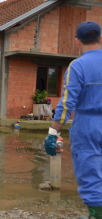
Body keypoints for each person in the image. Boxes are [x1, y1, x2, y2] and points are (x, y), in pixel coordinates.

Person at [44, 21, 102, 219]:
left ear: (77, 42)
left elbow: (67, 103)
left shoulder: (77, 66)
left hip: (88, 125)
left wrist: (53, 132)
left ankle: (96, 215)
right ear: (101, 39)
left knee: (90, 173)